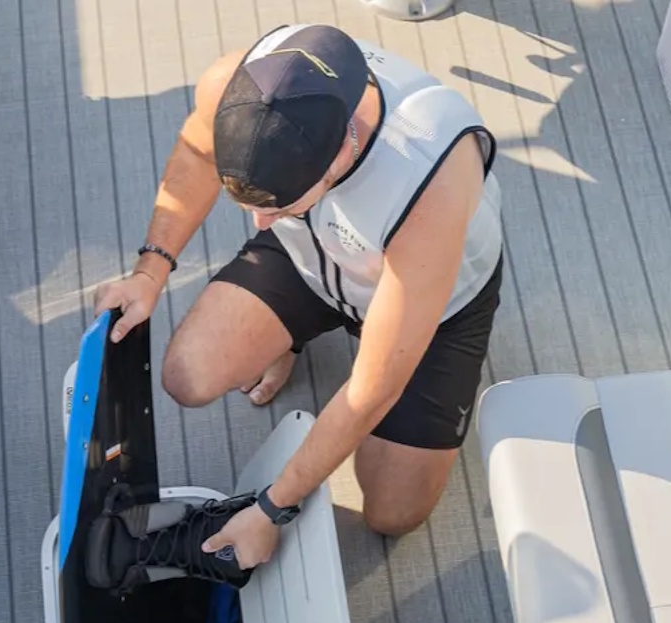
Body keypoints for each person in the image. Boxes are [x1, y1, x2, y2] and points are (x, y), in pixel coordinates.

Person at [91, 22, 503, 586]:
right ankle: (295, 334)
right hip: (310, 257)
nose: (259, 223)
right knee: (188, 375)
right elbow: (196, 150)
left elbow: (372, 387)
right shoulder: (237, 82)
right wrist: (150, 271)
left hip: (432, 300)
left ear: (336, 158)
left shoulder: (432, 180)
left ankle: (309, 337)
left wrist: (270, 509)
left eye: (276, 206)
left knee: (393, 513)